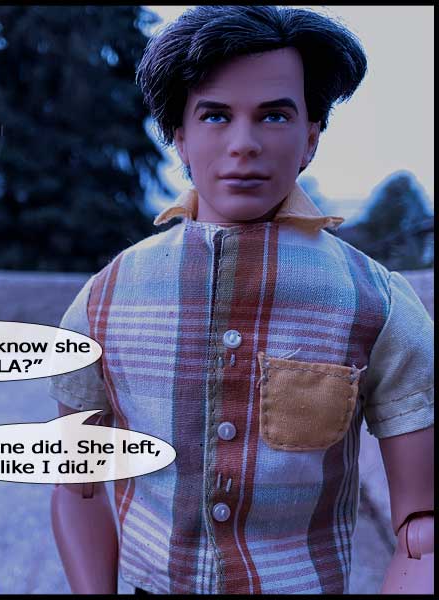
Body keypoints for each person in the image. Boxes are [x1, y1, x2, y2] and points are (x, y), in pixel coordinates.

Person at [49, 6, 433, 595]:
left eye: (274, 115)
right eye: (215, 115)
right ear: (180, 136)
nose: (244, 144)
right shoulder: (108, 296)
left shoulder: (375, 301)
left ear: (310, 138)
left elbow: (422, 530)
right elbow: (77, 487)